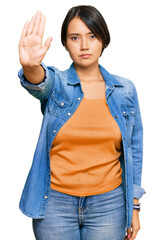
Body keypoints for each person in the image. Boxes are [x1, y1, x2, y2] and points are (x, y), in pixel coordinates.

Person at [18, 5, 146, 240]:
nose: (84, 46)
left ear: (104, 40)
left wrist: (134, 207)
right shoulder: (57, 84)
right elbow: (39, 82)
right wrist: (29, 67)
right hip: (55, 204)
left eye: (92, 36)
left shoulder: (125, 90)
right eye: (74, 37)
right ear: (65, 43)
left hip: (109, 205)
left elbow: (134, 151)